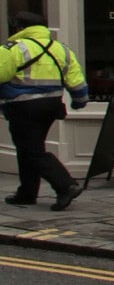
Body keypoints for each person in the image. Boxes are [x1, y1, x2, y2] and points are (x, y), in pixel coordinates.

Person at [0, 12, 88, 211]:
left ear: (19, 28)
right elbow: (76, 80)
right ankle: (27, 193)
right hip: (52, 106)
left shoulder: (14, 49)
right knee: (29, 147)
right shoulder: (61, 49)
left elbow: (1, 74)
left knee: (32, 151)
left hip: (23, 106)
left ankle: (66, 186)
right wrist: (79, 101)